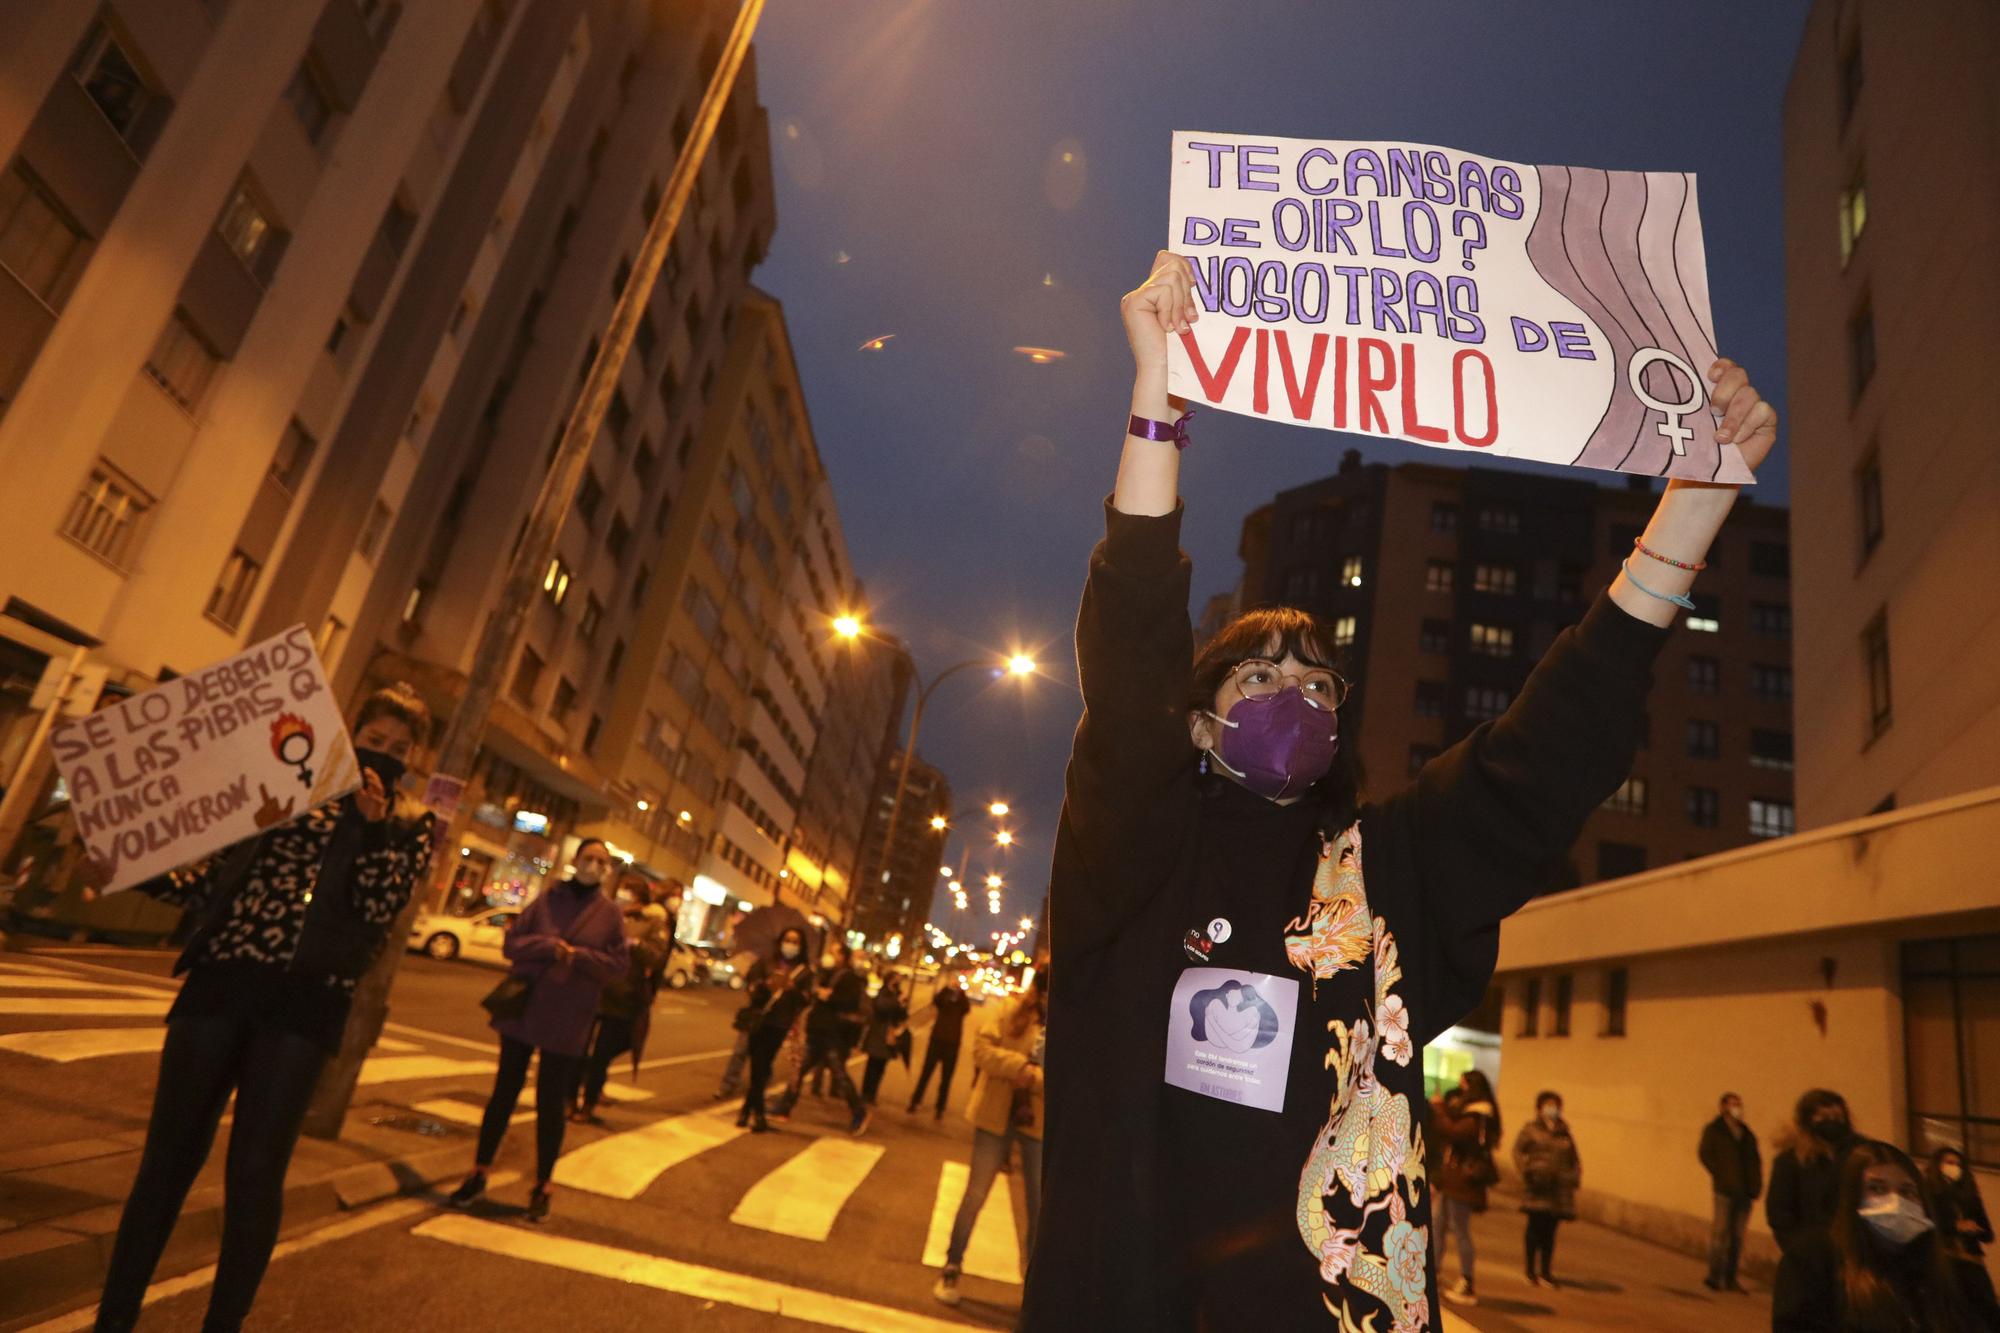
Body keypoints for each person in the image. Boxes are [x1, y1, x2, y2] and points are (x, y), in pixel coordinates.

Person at [1019, 250, 1779, 1330]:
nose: (1295, 690)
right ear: (1196, 723)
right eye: (1259, 672)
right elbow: (1132, 651)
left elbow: (1542, 754)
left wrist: (1691, 509)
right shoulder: (1133, 856)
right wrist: (1155, 395)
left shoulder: (1387, 873)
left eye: (1315, 677)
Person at [94, 683, 436, 1333]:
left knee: (254, 1170)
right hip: (223, 978)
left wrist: (368, 824)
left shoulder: (409, 822)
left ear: (414, 756)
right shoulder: (283, 779)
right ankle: (114, 1318)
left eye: (399, 747)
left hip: (304, 1005)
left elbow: (378, 909)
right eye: (373, 738)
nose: (384, 752)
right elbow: (213, 879)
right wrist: (125, 866)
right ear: (346, 729)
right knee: (166, 1159)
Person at [448, 838, 629, 1223]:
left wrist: (579, 957)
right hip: (524, 1011)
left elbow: (617, 966)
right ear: (575, 860)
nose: (593, 865)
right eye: (588, 858)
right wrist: (548, 946)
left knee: (551, 1103)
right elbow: (512, 944)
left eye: (601, 861)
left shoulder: (610, 914)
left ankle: (543, 1183)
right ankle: (479, 1171)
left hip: (568, 1018)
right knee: (503, 1093)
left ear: (607, 869)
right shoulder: (546, 900)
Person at [1771, 1138, 1991, 1332]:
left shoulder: (1946, 1270)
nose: (1896, 1201)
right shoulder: (1814, 1260)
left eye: (1907, 1192)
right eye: (1877, 1189)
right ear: (1851, 1197)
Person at [934, 972, 1047, 1308]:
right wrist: (1019, 1068)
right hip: (994, 1115)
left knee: (1039, 1208)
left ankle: (1034, 1292)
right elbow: (981, 1050)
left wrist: (1035, 1078)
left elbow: (1076, 1075)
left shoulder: (1072, 1020)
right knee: (975, 1194)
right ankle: (952, 1267)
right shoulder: (1010, 1011)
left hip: (1037, 1122)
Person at [571, 882, 671, 1125]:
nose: (626, 899)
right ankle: (569, 1100)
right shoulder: (605, 916)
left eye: (632, 894)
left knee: (603, 1053)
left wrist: (635, 945)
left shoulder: (652, 923)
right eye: (623, 893)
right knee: (576, 1049)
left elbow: (657, 957)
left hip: (623, 995)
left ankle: (589, 1104)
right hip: (593, 990)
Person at [772, 938, 871, 1134]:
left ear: (843, 957)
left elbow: (850, 1002)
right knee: (798, 1071)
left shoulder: (848, 977)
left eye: (834, 952)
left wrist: (830, 996)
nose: (830, 956)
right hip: (817, 1031)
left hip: (832, 1034)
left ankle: (860, 1112)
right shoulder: (824, 973)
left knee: (839, 1075)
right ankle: (784, 1108)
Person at [1769, 1089, 1859, 1294]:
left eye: (1837, 1116)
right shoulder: (1791, 1162)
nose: (1833, 1122)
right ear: (1808, 1120)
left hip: (1856, 1258)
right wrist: (1801, 1252)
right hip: (1813, 1260)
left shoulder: (1859, 1156)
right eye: (1824, 1117)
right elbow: (1780, 1214)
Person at [1431, 1069, 1501, 1305]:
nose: (1460, 1092)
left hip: (1464, 1181)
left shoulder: (1478, 1115)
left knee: (1460, 1230)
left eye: (1463, 1087)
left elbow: (1454, 1132)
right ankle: (1433, 1273)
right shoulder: (1471, 1112)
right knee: (1437, 1223)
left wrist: (1440, 1109)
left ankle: (1467, 1282)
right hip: (1453, 1179)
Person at [737, 926, 814, 1133]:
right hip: (759, 1019)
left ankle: (751, 1111)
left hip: (779, 1024)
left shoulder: (804, 971)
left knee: (763, 1065)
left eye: (795, 942)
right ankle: (754, 1112)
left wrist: (792, 988)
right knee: (758, 1066)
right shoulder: (766, 962)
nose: (791, 945)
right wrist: (765, 985)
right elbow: (751, 983)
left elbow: (806, 1000)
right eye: (788, 940)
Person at [1514, 1090, 1582, 1287]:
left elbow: (1574, 1158)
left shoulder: (1565, 1132)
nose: (1553, 1109)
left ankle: (1545, 1271)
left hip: (1557, 1190)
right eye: (1549, 1105)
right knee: (1534, 1227)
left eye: (1556, 1105)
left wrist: (1573, 1177)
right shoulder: (1531, 1130)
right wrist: (1527, 1171)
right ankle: (1530, 1270)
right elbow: (1517, 1151)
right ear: (1540, 1108)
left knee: (1550, 1231)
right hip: (1538, 1186)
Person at [1700, 1090, 1763, 1293]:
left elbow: (1755, 1161)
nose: (1737, 1108)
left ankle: (1730, 1278)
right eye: (1733, 1104)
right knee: (1720, 1233)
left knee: (1737, 1237)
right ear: (1724, 1107)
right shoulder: (1715, 1130)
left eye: (1739, 1104)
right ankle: (1714, 1275)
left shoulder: (1747, 1133)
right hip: (1724, 1190)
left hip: (1745, 1192)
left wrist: (1756, 1186)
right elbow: (1705, 1153)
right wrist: (1720, 1174)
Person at [1928, 1146, 2000, 1321]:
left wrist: (1975, 1228)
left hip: (1972, 1258)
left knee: (1986, 1309)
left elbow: (1988, 1235)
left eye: (1958, 1164)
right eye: (1950, 1163)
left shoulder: (1970, 1195)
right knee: (1952, 1311)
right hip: (1946, 1257)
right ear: (1938, 1165)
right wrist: (1955, 1226)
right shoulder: (1930, 1193)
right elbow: (1927, 1225)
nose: (1955, 1168)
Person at [907, 970, 973, 1118]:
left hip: (952, 1043)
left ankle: (940, 1108)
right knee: (926, 1073)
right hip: (937, 1040)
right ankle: (915, 1101)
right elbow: (936, 1000)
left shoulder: (961, 1003)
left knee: (946, 1078)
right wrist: (946, 988)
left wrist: (961, 992)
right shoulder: (944, 998)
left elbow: (966, 1008)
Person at [860, 972, 908, 1106]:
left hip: (890, 1035)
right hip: (879, 1033)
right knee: (872, 1065)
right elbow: (881, 1007)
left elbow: (902, 1015)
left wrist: (903, 1004)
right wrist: (897, 1001)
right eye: (896, 979)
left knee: (881, 1067)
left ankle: (872, 1094)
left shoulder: (898, 994)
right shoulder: (884, 992)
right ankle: (865, 1093)